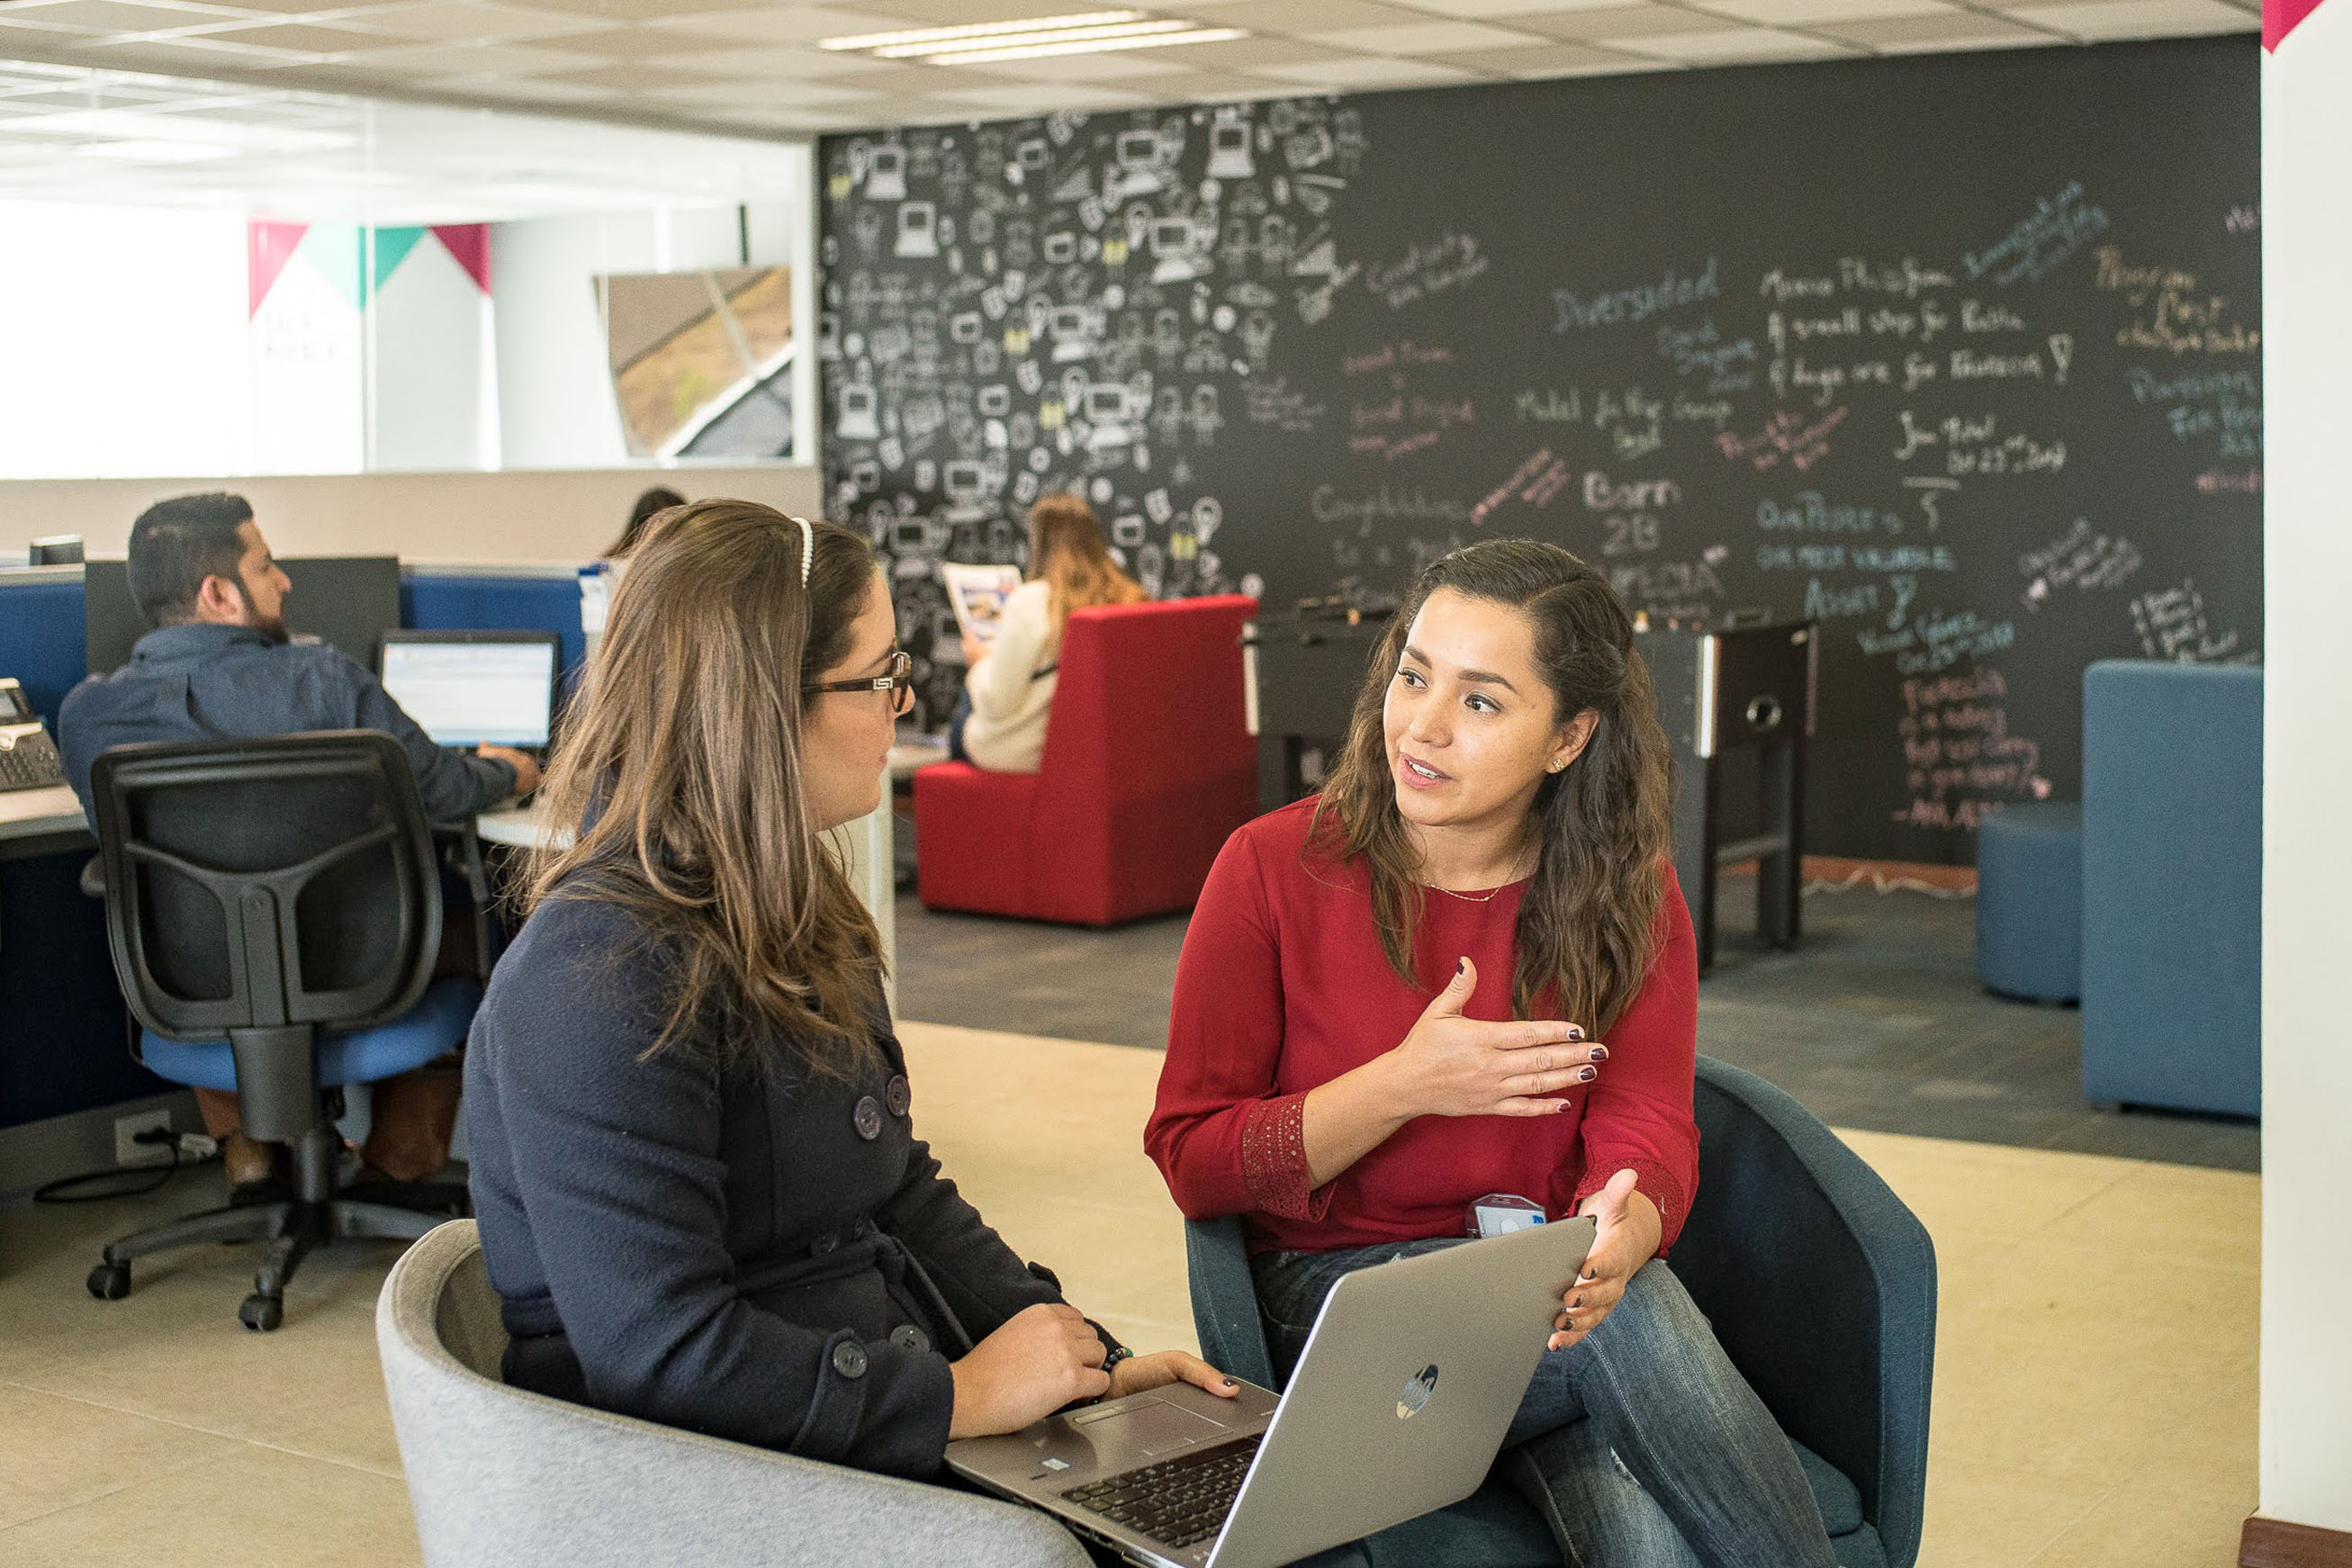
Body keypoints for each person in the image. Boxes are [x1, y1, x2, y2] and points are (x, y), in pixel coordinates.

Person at [464, 500, 1231, 1496]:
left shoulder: (794, 906)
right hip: (700, 1481)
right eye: (879, 678)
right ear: (758, 706)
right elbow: (664, 1357)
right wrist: (952, 1398)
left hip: (846, 1409)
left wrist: (1092, 1367)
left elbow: (894, 1188)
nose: (899, 707)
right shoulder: (597, 977)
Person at [1145, 540, 1836, 1567]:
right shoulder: (1269, 866)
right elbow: (1193, 1156)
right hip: (1346, 1310)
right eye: (1413, 675)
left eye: (1480, 701)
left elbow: (1649, 1118)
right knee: (1629, 1327)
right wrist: (1403, 1085)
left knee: (1650, 1536)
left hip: (1542, 1294)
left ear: (1569, 737)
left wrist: (1622, 1230)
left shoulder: (1627, 887)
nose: (1421, 725)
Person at [59, 492, 538, 1196]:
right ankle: (398, 1165)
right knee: (471, 932)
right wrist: (511, 768)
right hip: (353, 964)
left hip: (182, 982)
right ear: (218, 593)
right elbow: (440, 789)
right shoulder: (326, 681)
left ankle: (246, 1152)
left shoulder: (87, 715)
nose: (283, 581)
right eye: (266, 565)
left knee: (185, 921)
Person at [950, 492, 1144, 771]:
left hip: (1027, 751)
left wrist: (978, 663)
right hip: (1102, 746)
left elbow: (997, 705)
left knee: (970, 699)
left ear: (1038, 542)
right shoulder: (1129, 596)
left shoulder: (1032, 601)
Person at [602, 485, 685, 561]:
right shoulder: (608, 567)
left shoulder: (687, 558)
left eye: (671, 524)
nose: (662, 531)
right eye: (658, 523)